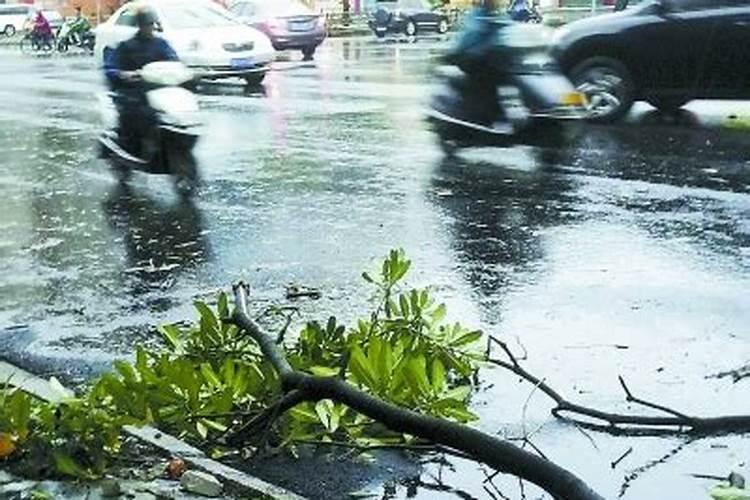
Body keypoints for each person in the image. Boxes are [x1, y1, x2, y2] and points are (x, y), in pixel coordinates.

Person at [104, 5, 179, 159]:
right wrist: (123, 74)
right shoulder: (126, 46)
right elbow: (110, 68)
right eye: (146, 25)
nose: (149, 28)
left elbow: (174, 62)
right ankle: (140, 148)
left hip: (161, 91)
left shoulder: (161, 45)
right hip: (135, 92)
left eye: (151, 24)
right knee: (140, 113)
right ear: (140, 25)